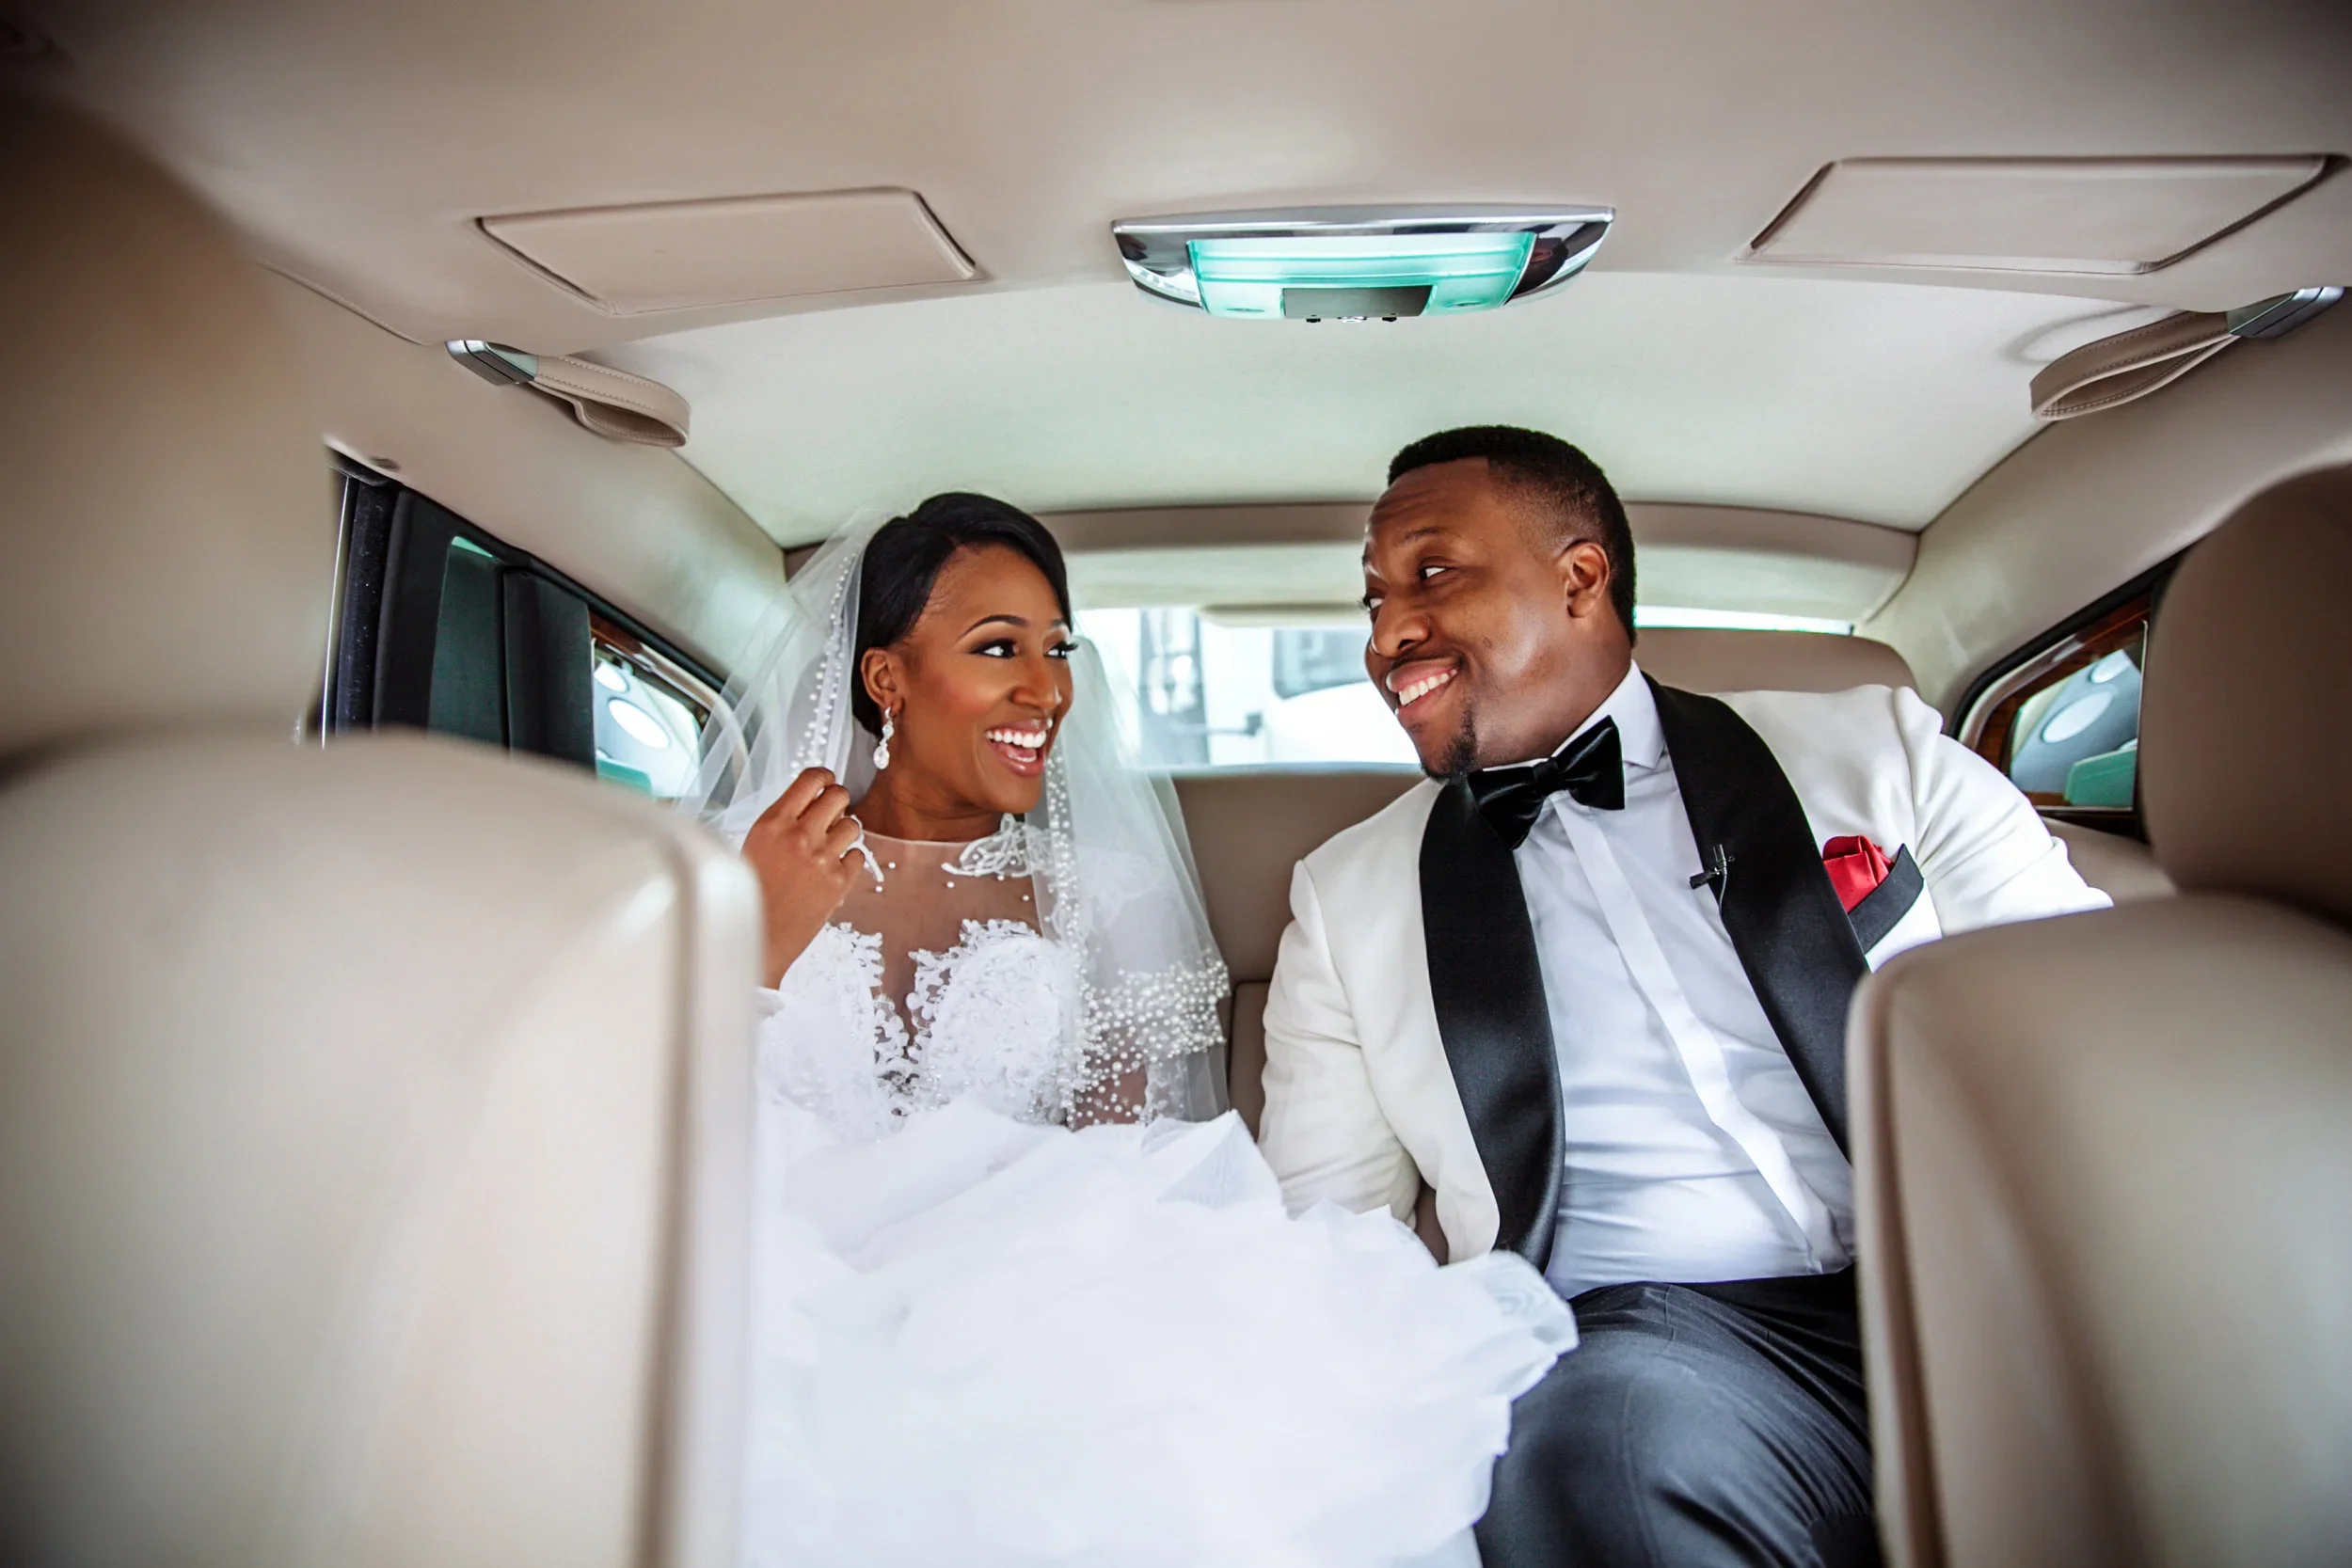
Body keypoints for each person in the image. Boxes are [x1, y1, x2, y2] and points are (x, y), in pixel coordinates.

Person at [1256, 427, 2111, 1568]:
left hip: (1974, 1282)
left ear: (1580, 578)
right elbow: (1331, 1237)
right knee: (1597, 1447)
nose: (1386, 633)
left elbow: (2096, 1033)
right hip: (1649, 1345)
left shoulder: (1880, 753)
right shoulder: (1348, 894)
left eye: (1431, 573)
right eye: (1371, 600)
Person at [685, 492, 1576, 1568]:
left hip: (1014, 1310)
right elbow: (632, 1121)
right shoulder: (728, 862)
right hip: (749, 1288)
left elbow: (1129, 1171)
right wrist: (752, 957)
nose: (1047, 689)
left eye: (1057, 648)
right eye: (998, 647)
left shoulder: (1101, 898)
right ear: (887, 679)